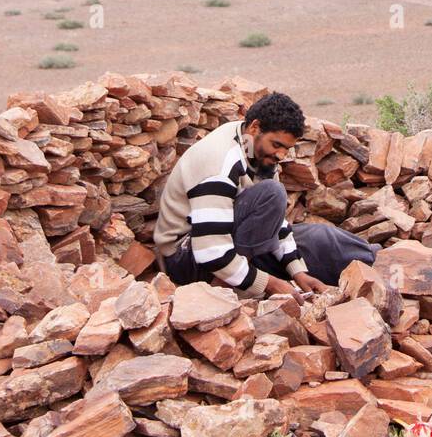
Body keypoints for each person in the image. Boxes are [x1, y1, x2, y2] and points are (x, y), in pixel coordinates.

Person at [153, 90, 379, 297]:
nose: (281, 155)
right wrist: (269, 283)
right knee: (273, 193)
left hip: (234, 243)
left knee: (318, 238)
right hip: (188, 258)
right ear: (254, 128)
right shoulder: (219, 162)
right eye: (277, 145)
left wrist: (297, 272)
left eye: (286, 149)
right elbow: (210, 251)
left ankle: (372, 261)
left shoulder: (258, 153)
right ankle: (227, 289)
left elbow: (276, 223)